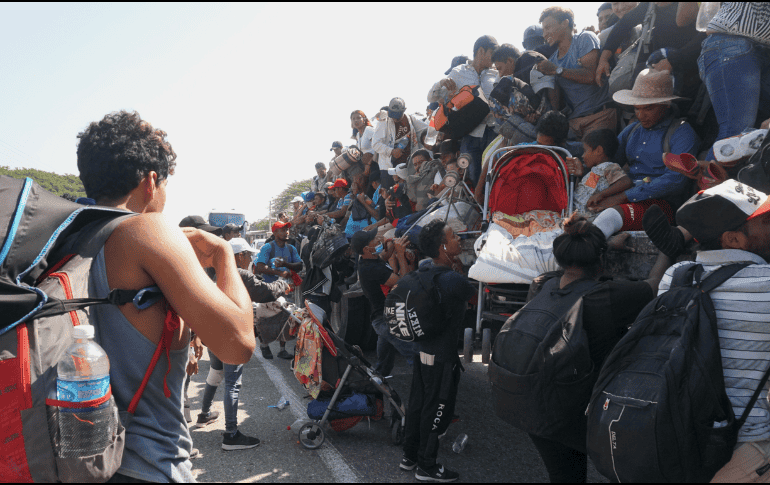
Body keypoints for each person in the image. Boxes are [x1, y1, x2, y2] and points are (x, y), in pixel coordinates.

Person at [76, 110, 254, 482]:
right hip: (146, 464)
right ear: (151, 181)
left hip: (75, 459)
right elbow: (238, 344)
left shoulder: (65, 239)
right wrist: (223, 253)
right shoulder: (147, 230)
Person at [524, 212, 672, 483]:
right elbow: (653, 286)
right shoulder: (606, 296)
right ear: (600, 262)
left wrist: (599, 249)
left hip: (536, 402)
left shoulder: (543, 284)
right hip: (578, 409)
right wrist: (666, 249)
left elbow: (570, 267)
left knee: (564, 473)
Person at [645, 179, 770, 482]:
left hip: (680, 429)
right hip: (746, 442)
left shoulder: (676, 276)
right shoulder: (765, 285)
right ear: (735, 239)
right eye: (766, 222)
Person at [400, 220, 476, 483]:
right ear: (443, 247)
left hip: (422, 350)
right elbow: (473, 294)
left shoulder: (421, 274)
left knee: (418, 404)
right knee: (437, 407)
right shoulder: (454, 279)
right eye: (454, 236)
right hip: (442, 355)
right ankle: (427, 465)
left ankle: (409, 456)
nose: (459, 240)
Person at [197, 238, 288, 450]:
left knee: (216, 372)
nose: (251, 258)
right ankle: (231, 435)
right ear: (238, 256)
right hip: (231, 334)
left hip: (213, 332)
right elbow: (265, 291)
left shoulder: (211, 273)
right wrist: (283, 283)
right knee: (232, 383)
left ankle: (204, 414)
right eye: (248, 254)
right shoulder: (239, 274)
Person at [590, 68, 699, 240]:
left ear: (665, 105)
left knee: (610, 217)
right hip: (625, 194)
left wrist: (623, 197)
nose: (641, 115)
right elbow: (611, 159)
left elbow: (675, 180)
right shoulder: (633, 129)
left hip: (662, 204)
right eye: (637, 109)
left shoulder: (682, 133)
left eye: (647, 109)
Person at [696, 2, 770, 161]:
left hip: (754, 50)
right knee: (735, 134)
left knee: (752, 137)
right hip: (732, 44)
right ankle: (708, 183)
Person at [596, 2, 705, 102]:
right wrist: (603, 59)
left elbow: (706, 34)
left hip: (693, 70)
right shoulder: (650, 5)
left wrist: (674, 59)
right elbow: (623, 25)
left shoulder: (696, 5)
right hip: (660, 71)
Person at [428, 35, 500, 185]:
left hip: (493, 131)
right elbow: (431, 97)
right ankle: (478, 208)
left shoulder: (496, 73)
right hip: (470, 134)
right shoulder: (458, 72)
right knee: (473, 176)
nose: (494, 59)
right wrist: (442, 83)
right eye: (492, 54)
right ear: (481, 51)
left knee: (494, 174)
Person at [536, 7, 617, 141]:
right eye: (543, 30)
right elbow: (555, 104)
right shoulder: (551, 61)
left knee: (592, 158)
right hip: (574, 122)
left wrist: (557, 70)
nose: (545, 34)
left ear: (565, 23)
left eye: (548, 27)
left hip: (599, 115)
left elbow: (591, 76)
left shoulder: (584, 39)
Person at [352, 229, 417, 377]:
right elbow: (403, 283)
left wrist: (391, 246)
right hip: (386, 319)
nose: (378, 239)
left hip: (382, 316)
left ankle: (378, 381)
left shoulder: (369, 259)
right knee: (413, 353)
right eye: (374, 239)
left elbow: (384, 256)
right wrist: (400, 254)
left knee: (384, 359)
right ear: (367, 249)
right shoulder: (371, 269)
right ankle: (425, 386)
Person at [255, 221, 302, 360]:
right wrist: (279, 273)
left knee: (286, 317)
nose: (286, 232)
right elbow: (259, 267)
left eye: (287, 230)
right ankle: (264, 345)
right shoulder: (268, 248)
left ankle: (282, 349)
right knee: (266, 318)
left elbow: (299, 265)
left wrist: (286, 265)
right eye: (282, 230)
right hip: (270, 289)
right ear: (275, 233)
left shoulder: (291, 248)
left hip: (286, 289)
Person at [567, 128, 631, 215]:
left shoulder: (609, 167)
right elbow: (588, 190)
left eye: (585, 150)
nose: (582, 155)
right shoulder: (595, 172)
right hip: (577, 212)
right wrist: (580, 175)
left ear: (598, 150)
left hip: (589, 217)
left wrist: (601, 194)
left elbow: (625, 181)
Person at [372, 97, 429, 176]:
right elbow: (375, 144)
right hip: (389, 168)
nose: (394, 118)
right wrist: (391, 151)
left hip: (408, 167)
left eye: (397, 116)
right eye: (392, 115)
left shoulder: (411, 119)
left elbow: (428, 129)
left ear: (404, 110)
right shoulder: (384, 121)